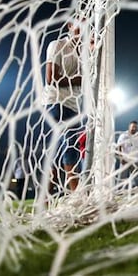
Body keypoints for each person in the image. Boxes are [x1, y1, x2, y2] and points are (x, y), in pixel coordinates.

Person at [42, 19, 86, 194]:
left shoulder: (84, 53)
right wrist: (81, 80)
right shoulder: (57, 45)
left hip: (74, 106)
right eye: (79, 23)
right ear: (69, 25)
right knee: (70, 145)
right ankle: (76, 195)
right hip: (55, 103)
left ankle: (44, 198)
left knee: (58, 151)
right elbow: (51, 78)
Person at [116, 120, 138, 191]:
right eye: (133, 127)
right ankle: (119, 192)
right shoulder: (123, 136)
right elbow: (119, 147)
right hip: (125, 160)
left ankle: (136, 191)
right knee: (122, 178)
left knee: (135, 177)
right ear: (129, 127)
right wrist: (121, 158)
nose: (134, 128)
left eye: (135, 127)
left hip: (134, 160)